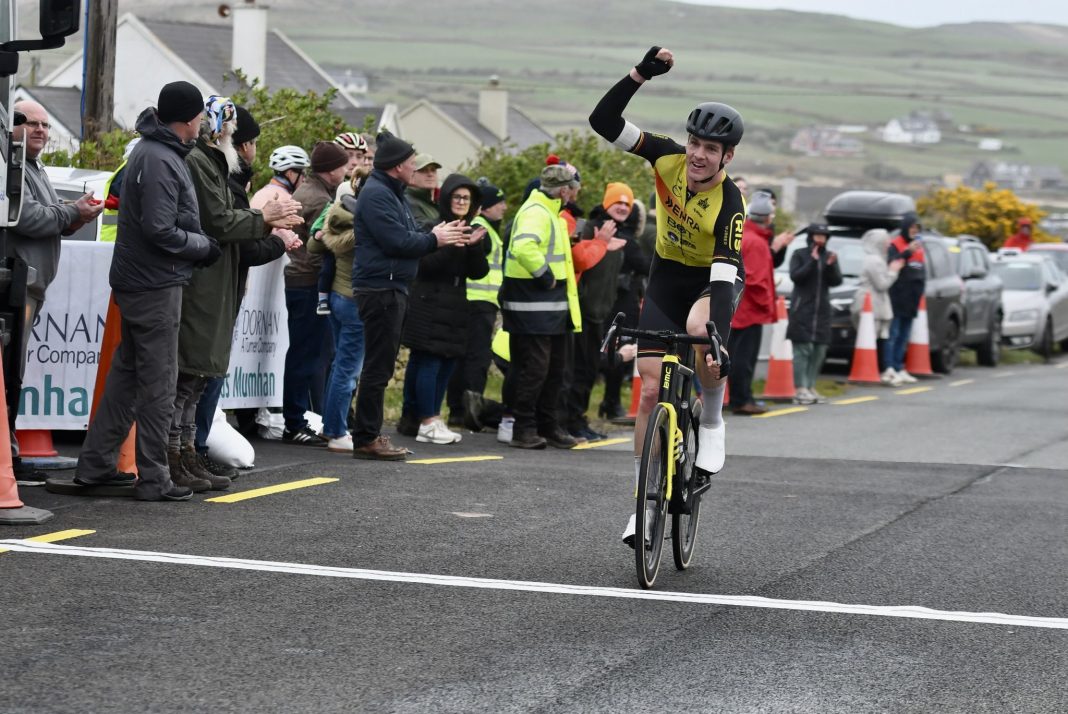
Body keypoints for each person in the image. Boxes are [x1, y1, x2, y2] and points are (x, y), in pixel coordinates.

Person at [589, 46, 745, 546]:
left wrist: (718, 342)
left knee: (701, 332)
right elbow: (602, 121)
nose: (698, 154)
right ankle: (644, 503)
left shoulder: (730, 203)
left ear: (727, 156)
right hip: (666, 276)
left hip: (713, 280)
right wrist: (640, 74)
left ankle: (713, 419)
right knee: (650, 390)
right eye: (695, 142)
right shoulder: (666, 156)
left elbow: (723, 279)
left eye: (711, 149)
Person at [74, 81, 215, 501]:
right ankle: (154, 478)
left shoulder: (153, 151)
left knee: (128, 378)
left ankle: (96, 466)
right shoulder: (160, 158)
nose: (203, 124)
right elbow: (159, 229)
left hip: (143, 280)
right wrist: (202, 246)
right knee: (159, 382)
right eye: (200, 117)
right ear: (188, 119)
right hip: (154, 282)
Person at [175, 96, 303, 492]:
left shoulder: (214, 164)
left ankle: (186, 453)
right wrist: (269, 224)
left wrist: (266, 226)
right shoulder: (202, 163)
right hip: (204, 284)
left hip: (218, 284)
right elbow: (219, 223)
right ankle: (178, 455)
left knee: (199, 378)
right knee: (189, 377)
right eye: (229, 132)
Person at [350, 131, 468, 461]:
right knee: (377, 367)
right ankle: (367, 437)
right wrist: (435, 239)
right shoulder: (377, 194)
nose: (415, 167)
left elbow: (410, 233)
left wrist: (435, 234)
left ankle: (369, 434)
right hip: (380, 288)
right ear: (397, 166)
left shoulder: (392, 192)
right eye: (412, 162)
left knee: (381, 366)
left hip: (392, 287)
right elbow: (397, 241)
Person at [7, 100, 104, 485]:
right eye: (31, 123)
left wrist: (74, 214)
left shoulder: (33, 167)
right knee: (9, 374)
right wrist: (72, 213)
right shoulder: (10, 166)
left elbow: (45, 214)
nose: (41, 131)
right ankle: (8, 458)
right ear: (11, 124)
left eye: (46, 125)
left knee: (14, 373)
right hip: (17, 285)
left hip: (30, 284)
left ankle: (9, 454)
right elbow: (26, 217)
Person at [397, 174, 489, 445]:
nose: (461, 202)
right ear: (447, 198)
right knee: (428, 360)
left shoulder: (470, 229)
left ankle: (420, 418)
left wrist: (474, 247)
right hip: (429, 301)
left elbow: (479, 272)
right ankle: (427, 419)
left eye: (466, 198)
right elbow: (423, 265)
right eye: (457, 196)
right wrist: (449, 244)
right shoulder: (434, 227)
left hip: (457, 302)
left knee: (446, 361)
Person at [280, 141, 349, 445]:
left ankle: (299, 419)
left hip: (300, 280)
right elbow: (324, 246)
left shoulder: (308, 191)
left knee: (306, 353)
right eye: (343, 165)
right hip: (308, 282)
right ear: (331, 170)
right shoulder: (320, 199)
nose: (346, 170)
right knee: (306, 354)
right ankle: (295, 422)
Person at [565, 182, 639, 440]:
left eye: (627, 204)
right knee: (580, 369)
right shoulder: (588, 227)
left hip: (602, 312)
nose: (622, 207)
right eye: (617, 202)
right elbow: (578, 260)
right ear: (606, 203)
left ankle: (578, 419)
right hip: (583, 310)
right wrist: (599, 242)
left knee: (589, 369)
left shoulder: (624, 235)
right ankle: (571, 421)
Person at [307, 168, 368, 452]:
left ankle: (330, 424)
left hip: (335, 296)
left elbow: (313, 245)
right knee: (348, 369)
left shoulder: (336, 213)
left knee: (339, 365)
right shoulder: (367, 222)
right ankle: (336, 430)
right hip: (355, 298)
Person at [445, 177, 507, 432]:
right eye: (499, 202)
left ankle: (458, 411)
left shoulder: (485, 227)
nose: (504, 207)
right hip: (479, 303)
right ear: (486, 206)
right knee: (476, 358)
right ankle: (469, 411)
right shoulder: (481, 227)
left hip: (477, 302)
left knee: (463, 357)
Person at [728, 192, 794, 415]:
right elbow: (755, 280)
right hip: (749, 310)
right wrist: (766, 304)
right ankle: (742, 400)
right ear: (766, 217)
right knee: (744, 357)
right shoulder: (756, 242)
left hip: (740, 308)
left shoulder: (746, 236)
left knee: (738, 354)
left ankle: (742, 398)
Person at [786, 224, 842, 405]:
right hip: (802, 309)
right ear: (810, 237)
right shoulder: (799, 254)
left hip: (822, 311)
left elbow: (836, 281)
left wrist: (830, 266)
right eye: (817, 236)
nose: (820, 239)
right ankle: (800, 388)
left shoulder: (829, 256)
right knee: (803, 349)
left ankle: (810, 386)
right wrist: (811, 261)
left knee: (819, 350)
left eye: (823, 236)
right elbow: (796, 276)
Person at [852, 228, 905, 384]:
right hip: (872, 306)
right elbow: (882, 284)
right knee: (871, 339)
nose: (889, 244)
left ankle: (880, 370)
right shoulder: (874, 261)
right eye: (886, 241)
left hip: (876, 305)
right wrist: (893, 271)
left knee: (877, 339)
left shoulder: (876, 259)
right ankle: (875, 370)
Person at [886, 213, 926, 384]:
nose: (914, 231)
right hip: (896, 297)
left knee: (904, 335)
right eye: (911, 227)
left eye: (917, 228)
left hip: (912, 299)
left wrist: (920, 291)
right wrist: (907, 252)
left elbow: (921, 272)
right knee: (893, 334)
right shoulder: (895, 245)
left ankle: (899, 366)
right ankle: (889, 367)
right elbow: (891, 263)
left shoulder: (919, 248)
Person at [98, 138, 140, 243]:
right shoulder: (130, 169)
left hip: (114, 238)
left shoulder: (125, 168)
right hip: (119, 238)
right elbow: (121, 200)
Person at [405, 154, 442, 228]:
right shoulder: (408, 201)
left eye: (433, 170)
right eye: (423, 170)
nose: (430, 174)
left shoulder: (436, 202)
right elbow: (422, 229)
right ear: (412, 175)